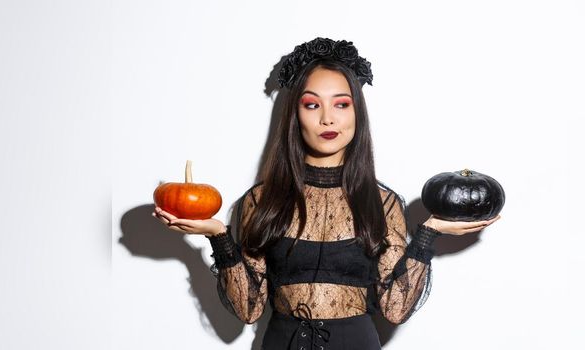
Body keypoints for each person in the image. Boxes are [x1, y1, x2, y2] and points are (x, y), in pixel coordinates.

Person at [153, 37, 501, 350]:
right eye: (312, 104)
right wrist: (219, 237)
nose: (327, 119)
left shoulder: (382, 203)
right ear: (296, 115)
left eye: (341, 104)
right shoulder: (262, 199)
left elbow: (395, 309)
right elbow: (248, 309)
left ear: (356, 113)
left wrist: (428, 234)